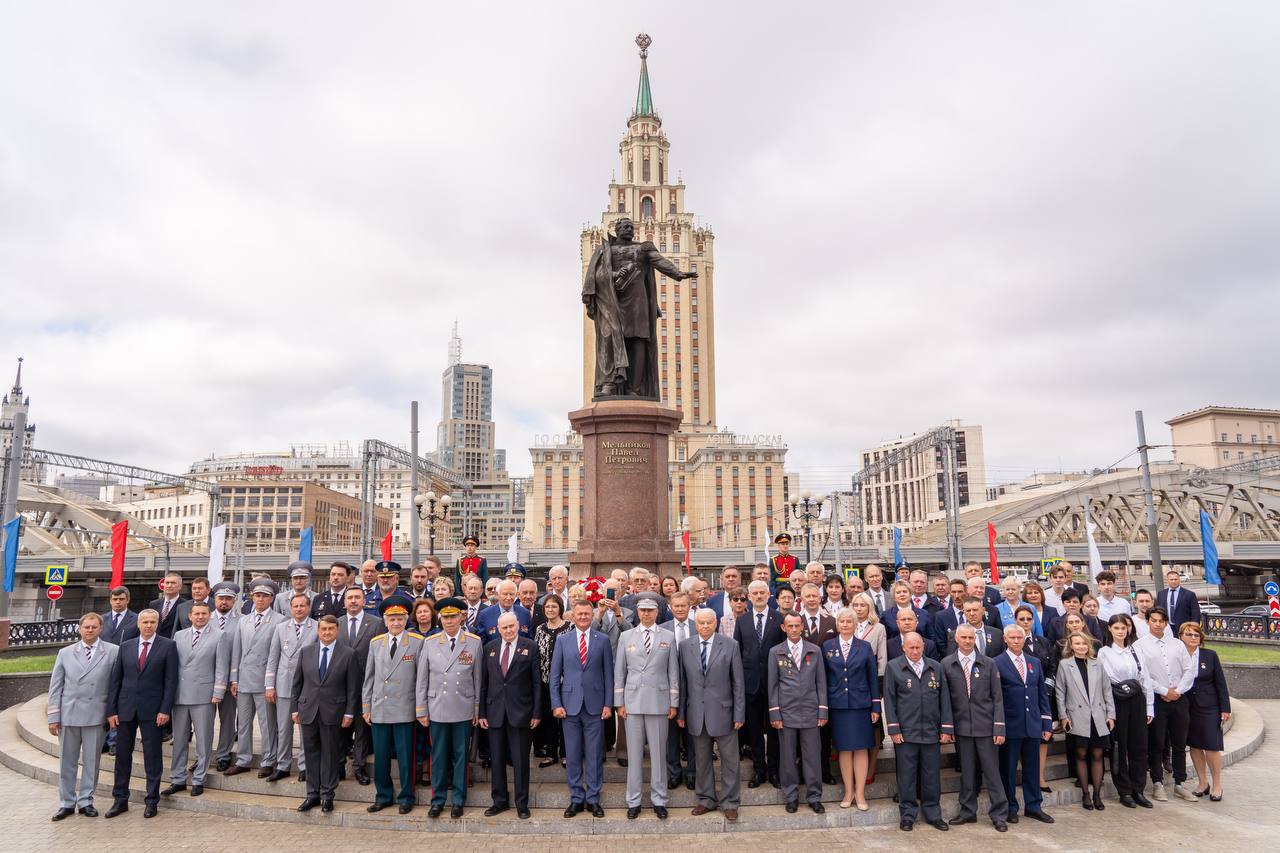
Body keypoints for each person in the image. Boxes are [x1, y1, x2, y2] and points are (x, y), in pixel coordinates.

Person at [105, 608, 178, 819]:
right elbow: (116, 680)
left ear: (157, 623)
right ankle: (120, 799)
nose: (148, 625)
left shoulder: (168, 646)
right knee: (121, 757)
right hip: (125, 709)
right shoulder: (126, 646)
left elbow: (170, 682)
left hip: (153, 710)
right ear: (138, 624)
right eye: (144, 622)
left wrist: (165, 709)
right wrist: (111, 710)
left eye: (152, 622)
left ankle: (152, 801)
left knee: (153, 757)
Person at [48, 613, 119, 820]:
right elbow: (55, 687)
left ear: (101, 629)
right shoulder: (65, 653)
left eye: (93, 627)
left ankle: (86, 800)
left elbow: (115, 686)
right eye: (86, 627)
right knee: (66, 761)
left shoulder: (113, 652)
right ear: (79, 629)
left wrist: (111, 713)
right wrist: (53, 717)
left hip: (96, 715)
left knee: (91, 761)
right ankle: (66, 802)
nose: (89, 630)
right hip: (69, 714)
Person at [417, 595, 483, 819]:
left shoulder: (474, 642)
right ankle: (437, 800)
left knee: (460, 756)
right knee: (438, 755)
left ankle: (458, 799)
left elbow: (478, 679)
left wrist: (476, 709)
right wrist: (421, 710)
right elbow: (422, 679)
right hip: (437, 707)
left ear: (461, 617)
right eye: (445, 617)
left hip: (463, 706)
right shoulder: (430, 642)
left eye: (453, 617)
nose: (449, 621)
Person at [615, 597, 679, 820]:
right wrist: (619, 702)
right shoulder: (626, 636)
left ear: (657, 612)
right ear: (637, 612)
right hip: (632, 702)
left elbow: (673, 672)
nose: (646, 614)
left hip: (659, 702)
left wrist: (673, 703)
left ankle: (659, 799)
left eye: (651, 611)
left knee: (659, 756)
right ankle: (633, 801)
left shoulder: (668, 637)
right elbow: (619, 672)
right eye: (642, 610)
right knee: (634, 756)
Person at [678, 608, 745, 821]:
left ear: (715, 623)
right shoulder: (685, 646)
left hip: (724, 713)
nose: (705, 626)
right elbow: (683, 683)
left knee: (730, 760)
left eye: (709, 623)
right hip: (696, 712)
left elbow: (738, 683)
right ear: (695, 624)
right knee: (702, 760)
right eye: (701, 623)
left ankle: (730, 802)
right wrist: (681, 712)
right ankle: (706, 799)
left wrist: (739, 714)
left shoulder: (730, 645)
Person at [363, 595, 427, 815]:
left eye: (400, 618)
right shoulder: (375, 643)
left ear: (407, 618)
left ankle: (406, 796)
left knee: (405, 757)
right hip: (380, 707)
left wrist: (420, 709)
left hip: (405, 709)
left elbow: (421, 680)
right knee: (380, 757)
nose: (396, 623)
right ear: (385, 620)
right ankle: (383, 796)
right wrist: (366, 707)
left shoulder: (417, 642)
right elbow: (369, 677)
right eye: (392, 619)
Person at [882, 632, 952, 832]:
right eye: (910, 647)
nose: (914, 651)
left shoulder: (935, 667)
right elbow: (890, 699)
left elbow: (944, 699)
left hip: (931, 732)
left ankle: (933, 814)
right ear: (903, 647)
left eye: (918, 647)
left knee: (931, 776)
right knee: (907, 777)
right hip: (906, 733)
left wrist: (946, 727)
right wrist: (893, 729)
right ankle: (907, 815)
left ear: (923, 647)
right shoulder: (894, 667)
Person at [942, 623, 1008, 831]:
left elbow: (997, 698)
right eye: (964, 638)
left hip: (986, 726)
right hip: (962, 728)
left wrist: (999, 728)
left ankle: (999, 814)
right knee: (968, 772)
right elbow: (945, 700)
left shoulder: (988, 663)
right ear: (956, 639)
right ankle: (967, 811)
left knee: (992, 772)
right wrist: (948, 727)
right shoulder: (946, 664)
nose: (968, 641)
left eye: (971, 638)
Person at [551, 599, 614, 818]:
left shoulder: (603, 640)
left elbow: (609, 675)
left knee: (595, 754)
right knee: (573, 754)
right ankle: (576, 798)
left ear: (592, 614)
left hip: (596, 707)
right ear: (573, 616)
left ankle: (594, 798)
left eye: (587, 614)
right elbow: (554, 675)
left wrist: (608, 704)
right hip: (569, 707)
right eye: (579, 614)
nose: (583, 617)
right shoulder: (562, 640)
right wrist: (556, 704)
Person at [292, 615, 359, 813]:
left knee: (330, 755)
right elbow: (297, 683)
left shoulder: (348, 654)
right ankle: (312, 794)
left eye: (331, 629)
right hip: (308, 710)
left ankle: (327, 795)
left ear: (337, 630)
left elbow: (352, 688)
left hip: (334, 711)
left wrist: (349, 713)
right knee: (311, 753)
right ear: (318, 631)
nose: (327, 632)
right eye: (323, 629)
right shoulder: (306, 652)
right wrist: (295, 708)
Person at [479, 611, 542, 819]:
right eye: (504, 627)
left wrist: (536, 712)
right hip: (495, 712)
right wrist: (482, 712)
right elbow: (484, 683)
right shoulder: (489, 648)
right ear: (498, 629)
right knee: (496, 760)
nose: (508, 630)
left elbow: (536, 683)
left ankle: (521, 803)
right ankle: (499, 801)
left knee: (521, 760)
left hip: (521, 712)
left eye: (511, 626)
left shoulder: (530, 647)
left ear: (519, 626)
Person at [163, 601, 229, 798]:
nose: (200, 617)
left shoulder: (219, 635)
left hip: (204, 695)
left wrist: (218, 692)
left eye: (204, 614)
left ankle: (199, 779)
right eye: (197, 614)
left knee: (203, 739)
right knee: (180, 740)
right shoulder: (179, 635)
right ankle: (177, 778)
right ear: (190, 616)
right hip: (180, 694)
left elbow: (221, 666)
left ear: (209, 615)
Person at [768, 611, 827, 814]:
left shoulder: (815, 650)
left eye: (797, 625)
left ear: (803, 627)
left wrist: (822, 711)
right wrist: (775, 713)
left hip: (811, 711)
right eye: (790, 626)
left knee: (812, 756)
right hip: (787, 712)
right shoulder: (776, 652)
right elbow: (773, 685)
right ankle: (791, 796)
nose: (794, 629)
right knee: (788, 757)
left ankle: (814, 796)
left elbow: (821, 683)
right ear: (784, 628)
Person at [995, 624, 1054, 824]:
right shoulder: (997, 663)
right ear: (1005, 639)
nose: (1016, 641)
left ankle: (1033, 805)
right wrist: (999, 726)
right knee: (1009, 770)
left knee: (1032, 768)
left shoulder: (1034, 662)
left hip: (1032, 724)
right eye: (1011, 637)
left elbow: (1041, 695)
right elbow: (996, 698)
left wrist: (1046, 724)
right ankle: (1010, 807)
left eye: (1019, 637)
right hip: (1010, 726)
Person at [1136, 606, 1196, 802]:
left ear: (1165, 622)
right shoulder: (1140, 645)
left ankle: (1180, 783)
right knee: (1158, 742)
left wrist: (1177, 691)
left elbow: (1189, 670)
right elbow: (1142, 675)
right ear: (1148, 622)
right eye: (1154, 620)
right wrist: (1164, 691)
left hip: (1179, 699)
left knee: (1179, 743)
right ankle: (1157, 782)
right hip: (1157, 700)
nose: (1158, 624)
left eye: (1161, 621)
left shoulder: (1177, 644)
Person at [225, 579, 284, 778]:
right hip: (243, 680)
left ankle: (268, 760)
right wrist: (234, 679)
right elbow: (237, 652)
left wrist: (271, 683)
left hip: (264, 680)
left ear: (271, 598)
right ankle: (243, 759)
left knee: (267, 723)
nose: (260, 599)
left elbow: (277, 654)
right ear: (252, 597)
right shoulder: (244, 620)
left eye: (265, 596)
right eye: (258, 595)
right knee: (243, 723)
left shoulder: (279, 620)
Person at [823, 608, 880, 810]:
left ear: (855, 624)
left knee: (861, 748)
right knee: (845, 749)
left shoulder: (864, 647)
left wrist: (876, 706)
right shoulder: (827, 646)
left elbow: (872, 678)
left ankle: (861, 794)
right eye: (842, 622)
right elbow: (825, 678)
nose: (845, 625)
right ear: (837, 624)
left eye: (849, 621)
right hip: (838, 705)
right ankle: (848, 792)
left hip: (861, 705)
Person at [1056, 631, 1116, 810]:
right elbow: (1060, 692)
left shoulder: (1097, 663)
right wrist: (1063, 716)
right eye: (1077, 643)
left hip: (1097, 715)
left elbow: (1107, 690)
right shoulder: (1065, 665)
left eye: (1083, 643)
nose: (1081, 646)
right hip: (1077, 716)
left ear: (1088, 645)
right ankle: (1085, 794)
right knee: (1081, 754)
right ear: (1071, 646)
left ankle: (1097, 794)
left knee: (1097, 754)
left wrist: (1111, 714)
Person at [1099, 614, 1154, 808]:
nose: (1121, 632)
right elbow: (1108, 679)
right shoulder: (1105, 652)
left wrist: (1149, 707)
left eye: (1124, 628)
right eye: (1117, 628)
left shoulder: (1135, 650)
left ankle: (1138, 789)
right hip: (1118, 699)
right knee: (1119, 747)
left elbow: (1145, 678)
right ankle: (1125, 790)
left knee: (1139, 746)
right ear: (1110, 630)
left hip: (1137, 700)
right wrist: (1110, 713)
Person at [734, 579, 785, 788]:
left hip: (774, 683)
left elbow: (784, 651)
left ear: (769, 595)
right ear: (749, 597)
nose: (758, 596)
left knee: (774, 729)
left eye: (762, 593)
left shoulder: (779, 618)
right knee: (754, 729)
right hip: (750, 683)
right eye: (754, 593)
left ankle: (774, 770)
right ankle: (759, 769)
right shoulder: (743, 620)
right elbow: (738, 652)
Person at [264, 592, 317, 782]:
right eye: (296, 606)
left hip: (307, 686)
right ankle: (283, 765)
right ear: (290, 608)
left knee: (306, 730)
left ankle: (305, 766)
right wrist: (270, 685)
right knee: (283, 728)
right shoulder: (280, 628)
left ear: (309, 607)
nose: (299, 609)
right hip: (283, 684)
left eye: (303, 606)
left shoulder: (317, 627)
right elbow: (273, 658)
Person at [334, 586, 382, 785]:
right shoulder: (335, 624)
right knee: (340, 729)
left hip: (365, 685)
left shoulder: (377, 623)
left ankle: (359, 767)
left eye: (357, 598)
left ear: (364, 601)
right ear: (344, 602)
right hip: (340, 687)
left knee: (362, 730)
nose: (353, 601)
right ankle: (338, 765)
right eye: (350, 598)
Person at [1180, 621, 1230, 801]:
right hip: (1187, 706)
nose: (1193, 637)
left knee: (1211, 746)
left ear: (1200, 638)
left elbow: (1220, 683)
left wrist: (1225, 707)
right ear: (1181, 636)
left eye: (1196, 634)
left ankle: (1217, 784)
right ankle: (1203, 782)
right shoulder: (1177, 655)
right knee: (1194, 745)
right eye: (1188, 634)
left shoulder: (1210, 655)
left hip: (1210, 706)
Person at [798, 581, 838, 784]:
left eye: (815, 596)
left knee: (824, 731)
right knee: (802, 731)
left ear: (820, 598)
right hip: (800, 685)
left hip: (826, 683)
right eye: (808, 597)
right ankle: (803, 772)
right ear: (802, 599)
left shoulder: (831, 621)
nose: (812, 599)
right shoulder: (795, 622)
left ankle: (824, 771)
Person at [533, 595, 571, 767]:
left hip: (565, 681)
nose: (550, 610)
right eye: (547, 607)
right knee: (548, 718)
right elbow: (536, 655)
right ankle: (550, 753)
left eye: (554, 607)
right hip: (545, 680)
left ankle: (565, 753)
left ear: (560, 608)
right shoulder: (540, 629)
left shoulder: (569, 628)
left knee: (564, 718)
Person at [208, 583, 240, 771]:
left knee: (227, 719)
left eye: (228, 599)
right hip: (207, 678)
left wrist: (235, 678)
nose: (224, 602)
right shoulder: (205, 618)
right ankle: (203, 754)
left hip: (230, 680)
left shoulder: (242, 621)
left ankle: (223, 754)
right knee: (205, 721)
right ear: (215, 600)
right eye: (221, 598)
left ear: (234, 601)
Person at [150, 573, 187, 639]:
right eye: (167, 583)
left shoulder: (185, 605)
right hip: (156, 643)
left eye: (173, 583)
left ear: (180, 586)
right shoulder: (153, 604)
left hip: (175, 643)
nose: (169, 585)